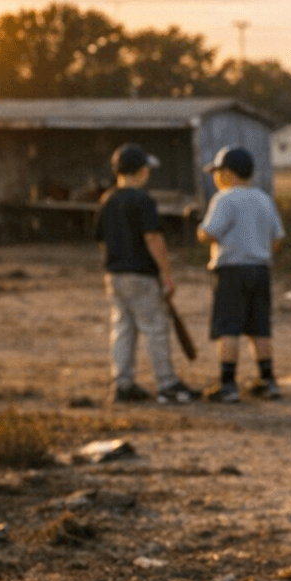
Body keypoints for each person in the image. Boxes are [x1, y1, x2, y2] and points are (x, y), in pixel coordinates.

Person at [95, 143, 199, 404]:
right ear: (141, 172)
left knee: (123, 328)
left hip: (113, 273)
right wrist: (166, 274)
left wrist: (111, 264)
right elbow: (153, 237)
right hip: (140, 274)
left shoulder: (107, 200)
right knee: (155, 327)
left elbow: (102, 240)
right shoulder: (143, 200)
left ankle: (122, 383)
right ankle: (167, 384)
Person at [196, 146, 286, 402]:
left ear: (227, 172)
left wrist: (198, 226)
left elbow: (209, 234)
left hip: (231, 270)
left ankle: (227, 385)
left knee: (228, 328)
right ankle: (268, 381)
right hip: (260, 269)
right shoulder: (263, 198)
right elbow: (277, 239)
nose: (215, 177)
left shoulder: (225, 199)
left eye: (217, 171)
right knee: (259, 327)